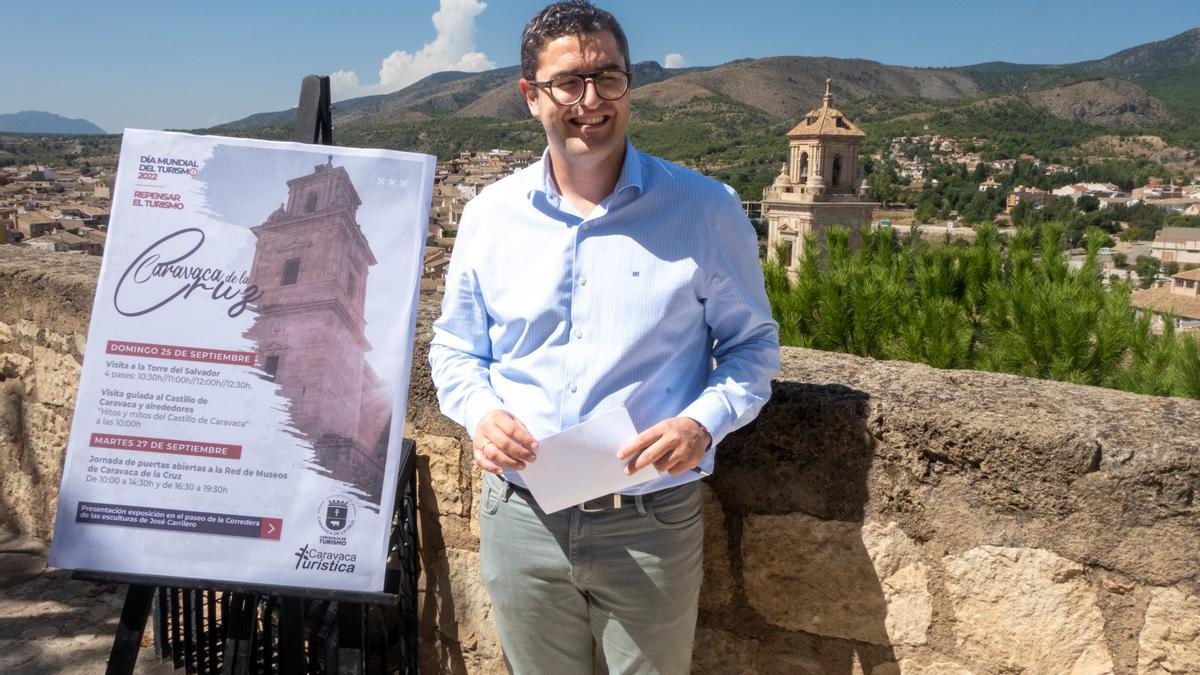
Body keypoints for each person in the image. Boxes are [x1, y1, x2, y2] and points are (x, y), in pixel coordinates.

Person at [428, 2, 780, 672]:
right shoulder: (489, 217)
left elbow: (752, 349)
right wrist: (480, 412)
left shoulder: (707, 210)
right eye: (568, 82)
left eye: (608, 78)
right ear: (531, 96)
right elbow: (454, 348)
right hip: (521, 515)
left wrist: (701, 424)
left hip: (650, 522)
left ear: (629, 86)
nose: (591, 100)